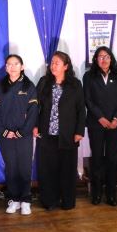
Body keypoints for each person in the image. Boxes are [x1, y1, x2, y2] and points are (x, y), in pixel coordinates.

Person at [34, 51, 85, 211]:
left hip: (68, 135)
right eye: (52, 62)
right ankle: (50, 200)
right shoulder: (43, 82)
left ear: (66, 66)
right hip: (46, 134)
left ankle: (68, 201)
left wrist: (79, 131)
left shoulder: (75, 84)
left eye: (57, 62)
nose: (53, 65)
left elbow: (80, 110)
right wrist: (35, 125)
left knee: (67, 170)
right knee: (47, 169)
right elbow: (35, 106)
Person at [0, 54, 38, 215]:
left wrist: (20, 132)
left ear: (22, 66)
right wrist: (4, 131)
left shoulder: (28, 86)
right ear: (6, 68)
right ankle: (14, 199)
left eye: (16, 64)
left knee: (24, 167)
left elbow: (33, 113)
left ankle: (25, 199)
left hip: (23, 135)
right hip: (5, 136)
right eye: (9, 64)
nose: (12, 67)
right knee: (11, 168)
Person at [83, 47, 117, 207]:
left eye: (107, 56)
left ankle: (111, 194)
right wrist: (100, 117)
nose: (104, 59)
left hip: (115, 125)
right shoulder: (89, 76)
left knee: (112, 159)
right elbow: (88, 99)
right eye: (100, 57)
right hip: (96, 123)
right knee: (97, 159)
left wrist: (116, 119)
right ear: (95, 59)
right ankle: (97, 193)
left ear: (111, 59)